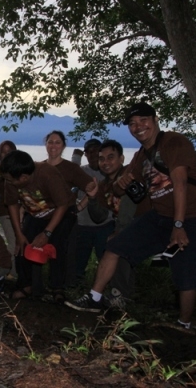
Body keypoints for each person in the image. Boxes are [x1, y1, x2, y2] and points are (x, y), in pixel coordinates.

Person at [65, 103, 196, 330]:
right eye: (132, 124)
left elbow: (180, 183)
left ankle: (184, 324)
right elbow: (117, 191)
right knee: (115, 246)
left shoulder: (173, 142)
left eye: (143, 120)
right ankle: (94, 298)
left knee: (185, 274)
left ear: (154, 120)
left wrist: (179, 224)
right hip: (160, 216)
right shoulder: (141, 156)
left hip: (190, 217)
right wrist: (118, 186)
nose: (138, 127)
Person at [0, 150, 86, 300]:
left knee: (57, 245)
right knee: (23, 246)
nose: (9, 183)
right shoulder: (11, 179)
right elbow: (12, 205)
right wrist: (19, 233)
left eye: (11, 180)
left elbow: (62, 204)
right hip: (36, 213)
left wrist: (47, 233)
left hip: (62, 211)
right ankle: (26, 285)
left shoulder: (47, 174)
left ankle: (57, 287)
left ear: (24, 177)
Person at [85, 139, 149, 308]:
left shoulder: (128, 176)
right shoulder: (104, 185)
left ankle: (119, 297)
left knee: (118, 244)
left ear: (121, 158)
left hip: (146, 223)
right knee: (116, 243)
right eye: (102, 159)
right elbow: (99, 216)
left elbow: (128, 213)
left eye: (111, 157)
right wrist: (92, 198)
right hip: (127, 227)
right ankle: (120, 296)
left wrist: (118, 232)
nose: (105, 162)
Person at [42, 130, 95, 291]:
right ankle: (41, 285)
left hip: (67, 217)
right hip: (44, 216)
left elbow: (91, 187)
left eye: (57, 142)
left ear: (63, 146)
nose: (53, 146)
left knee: (65, 252)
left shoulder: (70, 168)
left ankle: (62, 287)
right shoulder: (39, 167)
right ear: (46, 145)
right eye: (50, 142)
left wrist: (80, 206)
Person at [70, 138, 115, 282]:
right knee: (78, 261)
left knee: (106, 259)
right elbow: (67, 179)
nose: (93, 154)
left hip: (105, 225)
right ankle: (76, 286)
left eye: (97, 151)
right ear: (86, 154)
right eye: (90, 152)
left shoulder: (109, 173)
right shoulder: (81, 171)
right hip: (83, 225)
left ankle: (105, 287)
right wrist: (76, 158)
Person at [0, 140, 18, 279]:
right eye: (3, 151)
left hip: (23, 213)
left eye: (10, 151)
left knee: (20, 244)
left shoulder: (21, 170)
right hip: (6, 212)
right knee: (13, 244)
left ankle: (13, 274)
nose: (6, 154)